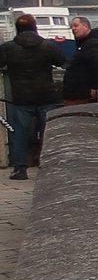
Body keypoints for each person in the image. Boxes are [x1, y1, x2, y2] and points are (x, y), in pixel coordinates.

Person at [0, 13, 65, 179]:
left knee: (20, 133)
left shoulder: (8, 47)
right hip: (46, 95)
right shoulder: (47, 45)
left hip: (22, 98)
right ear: (34, 28)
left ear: (17, 28)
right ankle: (49, 167)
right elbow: (61, 61)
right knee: (48, 133)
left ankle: (20, 169)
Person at [58, 17, 98, 105]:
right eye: (71, 27)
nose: (73, 29)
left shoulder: (93, 44)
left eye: (76, 25)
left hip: (81, 95)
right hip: (76, 94)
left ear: (86, 26)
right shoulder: (85, 43)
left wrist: (96, 86)